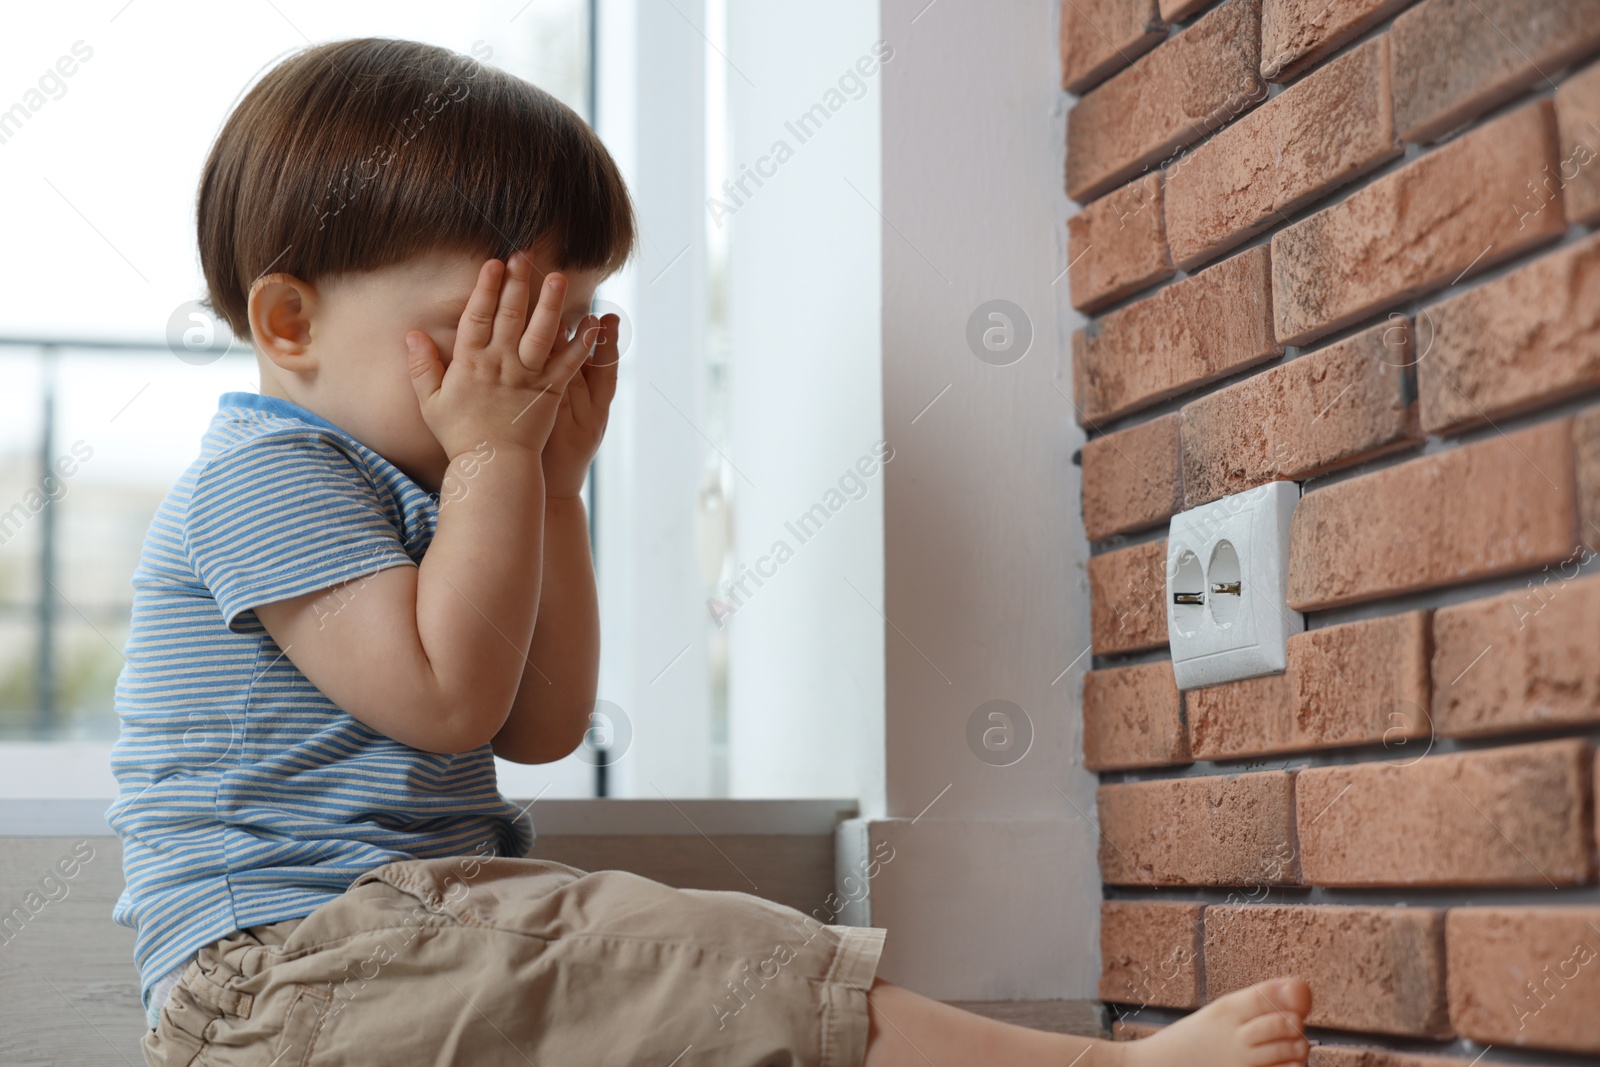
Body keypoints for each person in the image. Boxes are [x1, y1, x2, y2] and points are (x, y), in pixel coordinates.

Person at [107, 36, 1314, 1066]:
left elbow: (538, 723)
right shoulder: (266, 473)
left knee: (713, 958)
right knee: (713, 960)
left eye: (557, 332)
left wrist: (550, 482)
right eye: (482, 333)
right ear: (288, 322)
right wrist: (491, 463)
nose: (525, 373)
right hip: (273, 978)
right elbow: (446, 698)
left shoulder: (424, 483)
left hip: (399, 935)